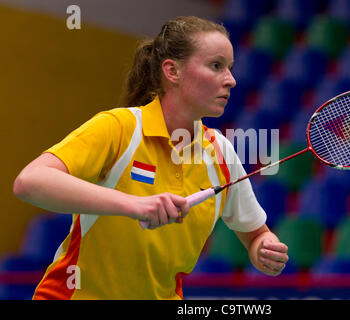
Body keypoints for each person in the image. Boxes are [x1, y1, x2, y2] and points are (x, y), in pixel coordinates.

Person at [13, 16, 289, 300]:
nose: (231, 80)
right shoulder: (120, 128)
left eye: (230, 68)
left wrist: (264, 248)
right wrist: (135, 205)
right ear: (172, 71)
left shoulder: (221, 153)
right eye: (216, 66)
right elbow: (30, 182)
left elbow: (256, 235)